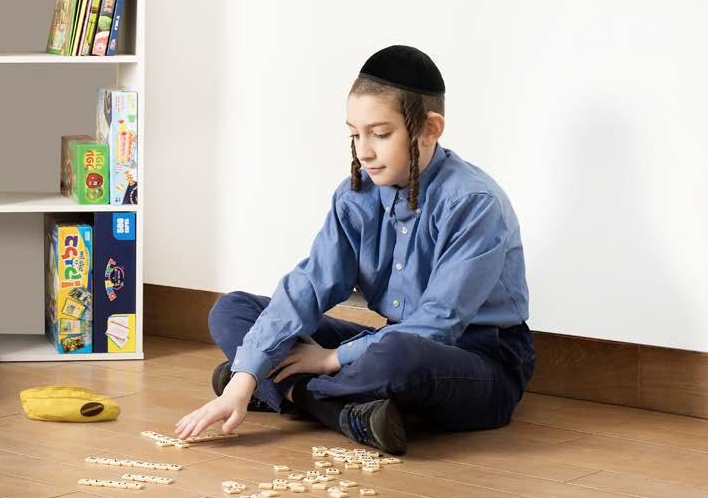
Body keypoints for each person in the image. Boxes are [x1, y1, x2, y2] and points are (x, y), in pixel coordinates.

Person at [176, 45, 534, 454]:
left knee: (398, 357)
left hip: (477, 357)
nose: (364, 150)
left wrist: (330, 359)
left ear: (429, 129)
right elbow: (308, 287)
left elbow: (438, 325)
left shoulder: (473, 202)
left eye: (380, 134)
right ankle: (344, 410)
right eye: (355, 134)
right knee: (233, 310)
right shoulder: (355, 196)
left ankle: (291, 392)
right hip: (386, 339)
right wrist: (241, 383)